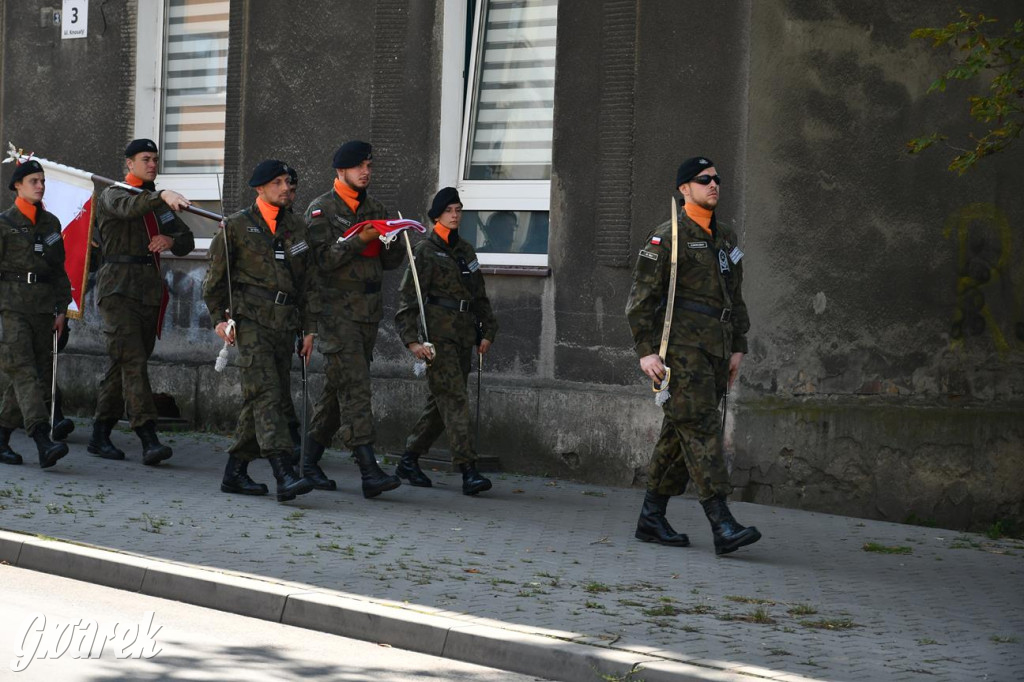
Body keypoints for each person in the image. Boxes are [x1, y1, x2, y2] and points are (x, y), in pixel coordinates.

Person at [625, 156, 761, 555]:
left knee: (678, 435)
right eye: (704, 180)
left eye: (717, 179)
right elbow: (639, 302)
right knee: (701, 431)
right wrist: (646, 353)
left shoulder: (727, 238)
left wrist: (738, 346)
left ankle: (652, 517)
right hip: (681, 353)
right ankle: (722, 523)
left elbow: (734, 298)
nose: (714, 185)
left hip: (716, 351)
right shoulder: (667, 237)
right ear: (685, 188)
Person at [202, 159, 317, 503]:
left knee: (266, 397)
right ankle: (284, 472)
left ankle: (235, 471)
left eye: (287, 182)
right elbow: (213, 281)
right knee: (268, 396)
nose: (286, 188)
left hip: (284, 323)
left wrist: (309, 328)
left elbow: (308, 284)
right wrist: (218, 320)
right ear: (260, 188)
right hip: (250, 321)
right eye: (278, 182)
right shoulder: (236, 226)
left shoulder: (297, 227)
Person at [302, 141, 403, 499]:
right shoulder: (321, 210)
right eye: (359, 166)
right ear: (340, 171)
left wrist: (392, 240)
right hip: (337, 314)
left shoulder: (375, 208)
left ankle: (308, 461)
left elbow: (390, 264)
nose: (366, 172)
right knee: (356, 389)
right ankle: (368, 469)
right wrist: (361, 239)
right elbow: (321, 263)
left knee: (337, 391)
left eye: (369, 166)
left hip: (367, 314)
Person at [88, 139, 195, 465]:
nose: (152, 165)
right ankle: (148, 437)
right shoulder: (113, 194)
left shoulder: (159, 204)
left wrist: (170, 239)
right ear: (129, 164)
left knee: (124, 364)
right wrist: (160, 196)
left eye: (155, 159)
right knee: (133, 362)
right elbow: (129, 208)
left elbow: (187, 240)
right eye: (145, 159)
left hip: (148, 291)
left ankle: (99, 434)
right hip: (118, 291)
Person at [394, 187, 497, 495]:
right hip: (437, 338)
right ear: (437, 215)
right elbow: (408, 299)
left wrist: (488, 330)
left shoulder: (466, 250)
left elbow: (479, 295)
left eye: (459, 210)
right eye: (450, 210)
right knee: (454, 400)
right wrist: (412, 341)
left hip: (463, 335)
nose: (455, 215)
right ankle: (468, 470)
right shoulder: (425, 250)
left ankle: (409, 460)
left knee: (442, 404)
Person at [0, 159, 72, 468]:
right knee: (25, 372)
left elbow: (59, 271)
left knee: (34, 376)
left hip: (44, 309)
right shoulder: (4, 223)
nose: (40, 186)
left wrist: (62, 310)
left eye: (42, 181)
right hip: (12, 308)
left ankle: (1, 439)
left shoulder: (51, 223)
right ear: (17, 185)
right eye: (34, 181)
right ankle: (43, 440)